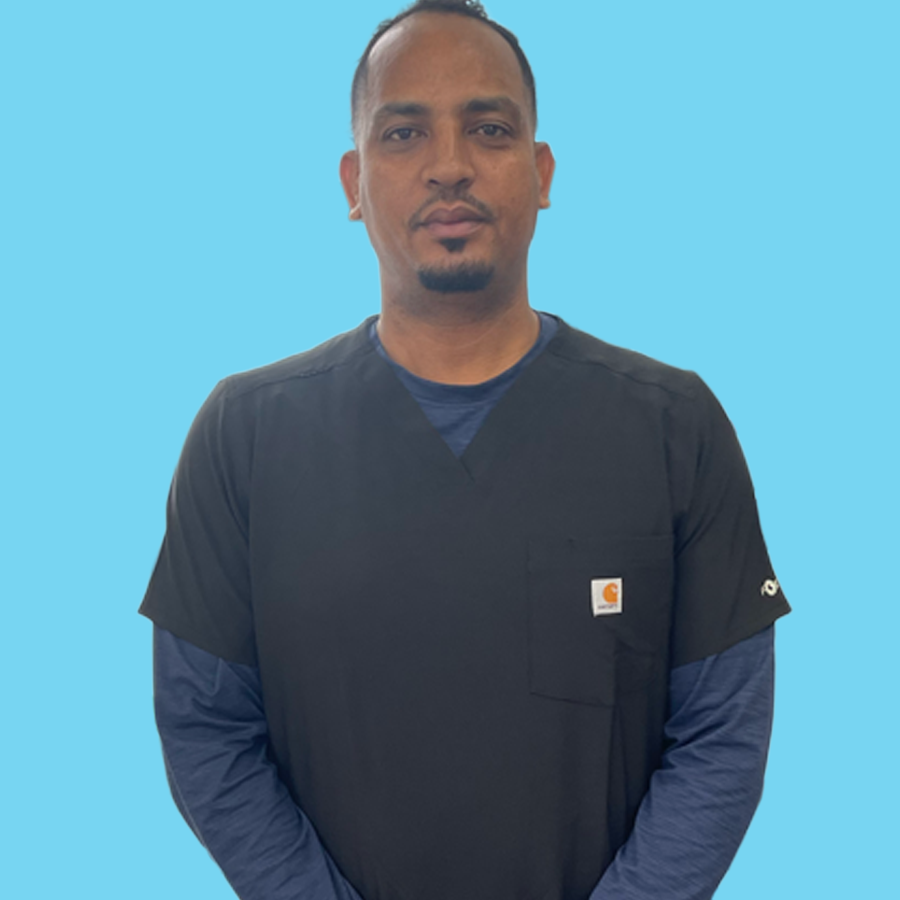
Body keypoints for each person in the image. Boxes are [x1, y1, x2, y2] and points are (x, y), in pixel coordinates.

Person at [139, 2, 791, 899]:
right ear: (353, 182)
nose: (449, 165)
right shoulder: (242, 436)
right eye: (403, 132)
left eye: (489, 128)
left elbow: (723, 735)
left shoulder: (674, 426)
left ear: (541, 171)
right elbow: (206, 729)